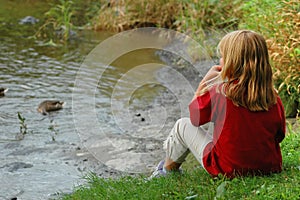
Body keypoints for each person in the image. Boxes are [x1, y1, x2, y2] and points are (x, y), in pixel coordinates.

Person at [149, 30, 286, 179]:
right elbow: (279, 135)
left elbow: (195, 118)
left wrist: (204, 84)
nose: (220, 60)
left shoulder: (220, 93)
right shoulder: (272, 97)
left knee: (182, 126)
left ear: (232, 63)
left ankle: (167, 171)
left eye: (223, 57)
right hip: (269, 166)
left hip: (227, 169)